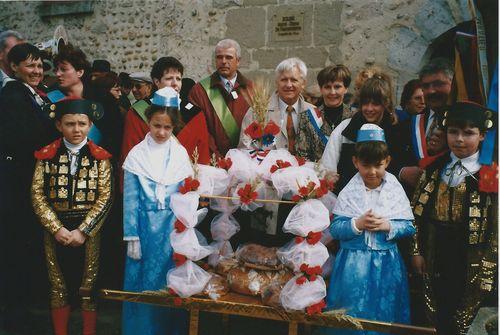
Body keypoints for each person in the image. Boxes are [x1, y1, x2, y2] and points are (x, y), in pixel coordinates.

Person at [411, 101, 497, 335]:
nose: (459, 139)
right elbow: (415, 215)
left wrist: (488, 270)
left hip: (471, 254)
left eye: (468, 133)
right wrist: (417, 251)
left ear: (482, 136)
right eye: (453, 132)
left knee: (464, 317)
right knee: (435, 312)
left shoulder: (491, 175)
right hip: (435, 247)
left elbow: (496, 230)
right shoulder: (434, 168)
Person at [31, 98, 113, 335]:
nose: (76, 130)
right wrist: (56, 228)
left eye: (81, 124)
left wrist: (83, 230)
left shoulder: (101, 158)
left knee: (88, 286)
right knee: (58, 286)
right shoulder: (46, 156)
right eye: (70, 124)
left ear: (90, 126)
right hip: (56, 228)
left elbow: (105, 198)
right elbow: (37, 194)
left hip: (88, 230)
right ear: (59, 126)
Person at [326, 124, 415, 334]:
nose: (373, 171)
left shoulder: (394, 189)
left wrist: (388, 225)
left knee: (383, 314)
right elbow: (336, 229)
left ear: (387, 162)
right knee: (351, 314)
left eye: (379, 165)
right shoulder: (349, 192)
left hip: (387, 266)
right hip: (352, 267)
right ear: (356, 162)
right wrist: (357, 224)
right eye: (366, 165)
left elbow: (409, 227)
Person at [122, 87, 191, 335]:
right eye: (156, 125)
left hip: (172, 230)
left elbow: (187, 194)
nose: (161, 132)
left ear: (174, 127)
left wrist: (187, 231)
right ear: (148, 122)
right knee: (144, 284)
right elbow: (130, 199)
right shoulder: (136, 156)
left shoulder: (181, 154)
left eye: (167, 127)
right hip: (143, 229)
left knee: (170, 281)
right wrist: (131, 236)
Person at [0, 43, 58, 333]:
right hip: (18, 182)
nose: (37, 71)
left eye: (39, 66)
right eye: (30, 66)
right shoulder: (12, 95)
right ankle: (16, 312)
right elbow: (27, 136)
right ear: (13, 67)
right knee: (16, 244)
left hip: (28, 179)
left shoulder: (31, 93)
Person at [120, 57, 210, 189]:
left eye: (178, 79)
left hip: (186, 189)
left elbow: (202, 156)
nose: (175, 84)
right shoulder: (138, 112)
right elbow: (129, 152)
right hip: (149, 188)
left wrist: (202, 189)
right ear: (156, 81)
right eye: (169, 79)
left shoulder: (196, 113)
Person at [321, 72, 406, 193]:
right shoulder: (346, 128)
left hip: (384, 199)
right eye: (365, 103)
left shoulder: (396, 131)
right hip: (347, 197)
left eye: (375, 104)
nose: (369, 109)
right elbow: (328, 166)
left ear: (385, 104)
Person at [189, 38, 253, 157]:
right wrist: (217, 157)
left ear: (238, 61)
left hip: (246, 161)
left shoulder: (252, 90)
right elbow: (199, 129)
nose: (223, 61)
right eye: (219, 57)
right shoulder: (199, 91)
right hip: (212, 160)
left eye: (229, 57)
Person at [399, 58, 454, 188]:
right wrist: (402, 172)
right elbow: (390, 158)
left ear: (452, 83)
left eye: (438, 84)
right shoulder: (408, 124)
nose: (431, 91)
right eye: (426, 86)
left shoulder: (466, 124)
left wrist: (450, 146)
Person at [296, 64, 354, 162]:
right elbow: (302, 156)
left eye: (337, 87)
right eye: (327, 87)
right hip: (316, 175)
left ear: (346, 88)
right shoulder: (307, 118)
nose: (332, 92)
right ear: (321, 89)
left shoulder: (354, 117)